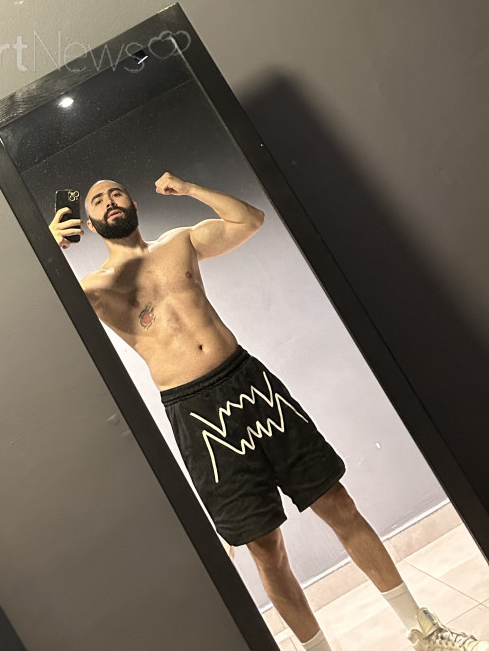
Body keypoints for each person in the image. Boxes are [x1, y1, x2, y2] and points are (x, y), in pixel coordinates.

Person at [49, 174, 487, 651]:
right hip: (195, 413)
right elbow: (49, 319)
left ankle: (425, 632)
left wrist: (190, 189)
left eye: (115, 192)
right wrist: (50, 249)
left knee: (337, 503)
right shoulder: (95, 288)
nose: (108, 201)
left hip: (249, 383)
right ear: (88, 222)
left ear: (133, 202)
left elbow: (249, 220)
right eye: (97, 200)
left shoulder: (179, 242)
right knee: (266, 549)